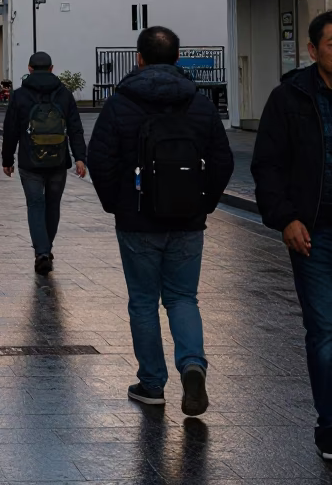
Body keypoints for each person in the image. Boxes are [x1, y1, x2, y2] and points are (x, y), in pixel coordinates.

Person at [87, 26, 233, 416]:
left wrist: (117, 204)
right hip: (188, 219)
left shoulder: (120, 103)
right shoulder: (199, 103)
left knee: (143, 301)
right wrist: (204, 203)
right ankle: (192, 363)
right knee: (183, 298)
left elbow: (100, 159)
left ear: (139, 58)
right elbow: (222, 161)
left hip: (137, 221)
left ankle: (152, 383)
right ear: (177, 57)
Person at [252, 10, 332, 459]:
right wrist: (286, 219)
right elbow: (267, 165)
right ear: (312, 50)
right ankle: (331, 426)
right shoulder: (289, 98)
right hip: (314, 232)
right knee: (324, 330)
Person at [1, 51, 86, 274]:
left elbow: (10, 130)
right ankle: (46, 247)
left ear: (29, 69)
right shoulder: (64, 94)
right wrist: (80, 157)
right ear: (51, 68)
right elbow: (75, 128)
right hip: (58, 161)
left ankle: (42, 252)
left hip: (30, 161)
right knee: (53, 204)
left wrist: (7, 159)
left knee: (35, 204)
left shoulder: (19, 95)